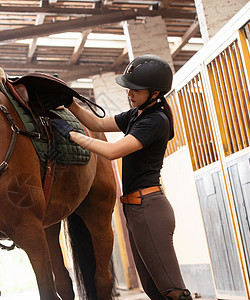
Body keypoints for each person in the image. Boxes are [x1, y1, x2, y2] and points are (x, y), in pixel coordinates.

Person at [50, 55, 193, 300]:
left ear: (156, 92)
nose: (130, 93)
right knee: (154, 290)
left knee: (173, 292)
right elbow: (96, 122)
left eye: (136, 89)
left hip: (149, 209)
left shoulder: (155, 120)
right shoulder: (137, 114)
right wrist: (69, 101)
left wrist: (72, 135)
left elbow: (112, 151)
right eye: (128, 87)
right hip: (136, 210)